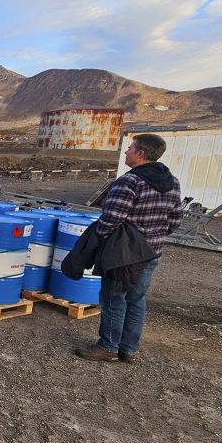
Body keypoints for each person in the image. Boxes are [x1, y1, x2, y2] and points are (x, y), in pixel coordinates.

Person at [75, 134, 183, 363]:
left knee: (114, 297)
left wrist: (101, 240)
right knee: (136, 299)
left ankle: (108, 346)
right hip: (151, 252)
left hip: (124, 254)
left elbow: (111, 218)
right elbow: (175, 220)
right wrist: (153, 235)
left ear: (141, 154)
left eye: (130, 148)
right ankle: (128, 349)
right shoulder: (172, 182)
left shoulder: (130, 181)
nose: (126, 152)